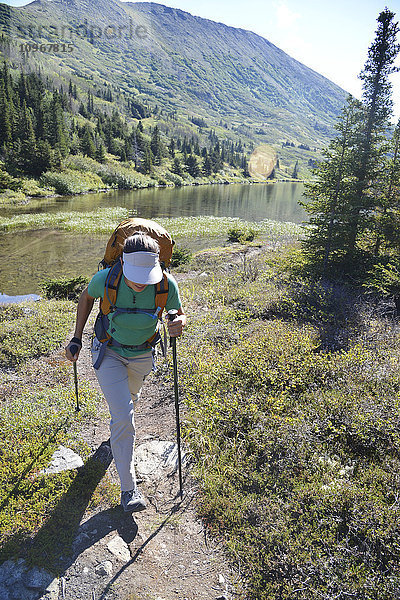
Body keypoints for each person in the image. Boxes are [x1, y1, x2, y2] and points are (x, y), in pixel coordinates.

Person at [65, 232, 186, 513]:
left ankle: (117, 435)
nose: (141, 283)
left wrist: (178, 320)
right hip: (109, 351)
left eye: (147, 276)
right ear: (121, 262)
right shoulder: (106, 279)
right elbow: (86, 298)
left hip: (143, 354)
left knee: (130, 401)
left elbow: (177, 311)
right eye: (135, 276)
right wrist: (77, 338)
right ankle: (128, 489)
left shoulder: (166, 285)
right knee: (124, 416)